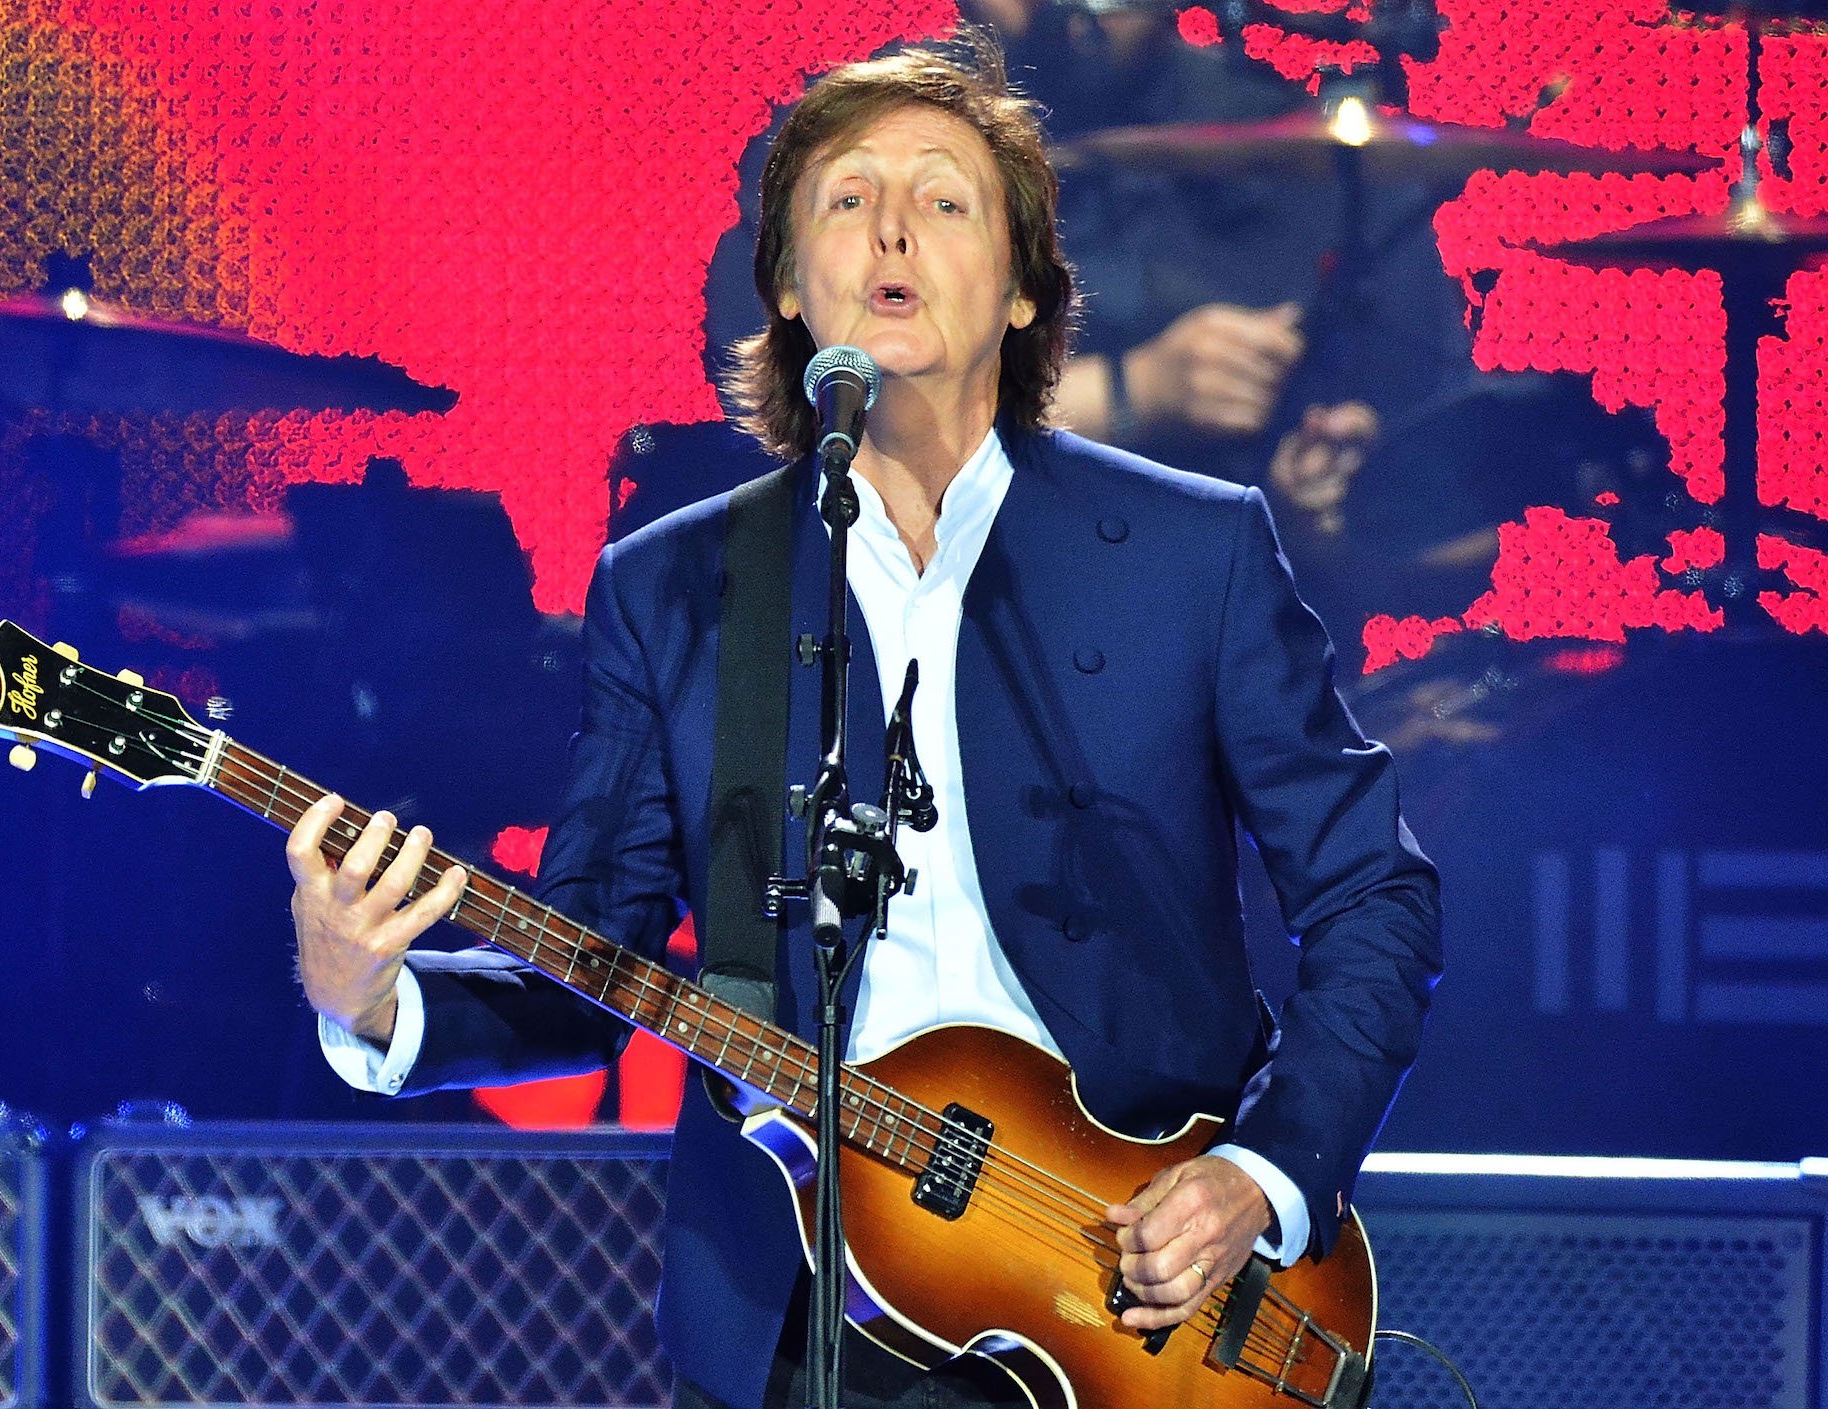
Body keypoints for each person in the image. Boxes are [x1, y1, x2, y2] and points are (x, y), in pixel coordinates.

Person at [286, 37, 1440, 1409]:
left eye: (945, 199)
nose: (892, 227)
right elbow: (589, 960)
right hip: (795, 1305)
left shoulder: (1195, 555)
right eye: (846, 199)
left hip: (1138, 1305)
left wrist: (1259, 1176)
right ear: (787, 282)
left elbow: (1374, 891)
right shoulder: (675, 588)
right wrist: (364, 997)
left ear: (1021, 291)